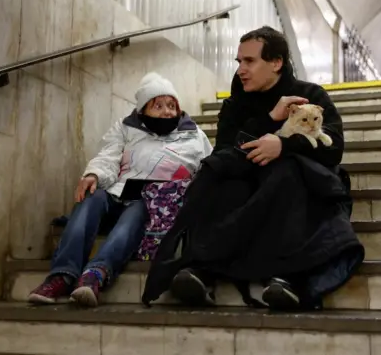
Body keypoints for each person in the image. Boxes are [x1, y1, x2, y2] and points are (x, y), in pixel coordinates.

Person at [141, 26, 365, 310]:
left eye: (250, 61)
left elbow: (334, 148)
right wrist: (270, 119)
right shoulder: (236, 106)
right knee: (219, 177)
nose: (241, 70)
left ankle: (288, 277)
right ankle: (202, 269)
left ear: (276, 63)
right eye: (239, 62)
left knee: (286, 173)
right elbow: (225, 151)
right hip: (249, 184)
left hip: (294, 187)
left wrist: (284, 146)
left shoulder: (309, 95)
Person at [28, 72, 212, 307]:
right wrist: (93, 174)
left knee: (137, 211)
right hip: (119, 191)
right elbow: (108, 156)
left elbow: (208, 169)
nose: (167, 112)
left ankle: (95, 274)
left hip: (152, 201)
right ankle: (62, 275)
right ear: (143, 110)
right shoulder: (126, 129)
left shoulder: (194, 135)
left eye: (171, 105)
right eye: (158, 106)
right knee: (91, 197)